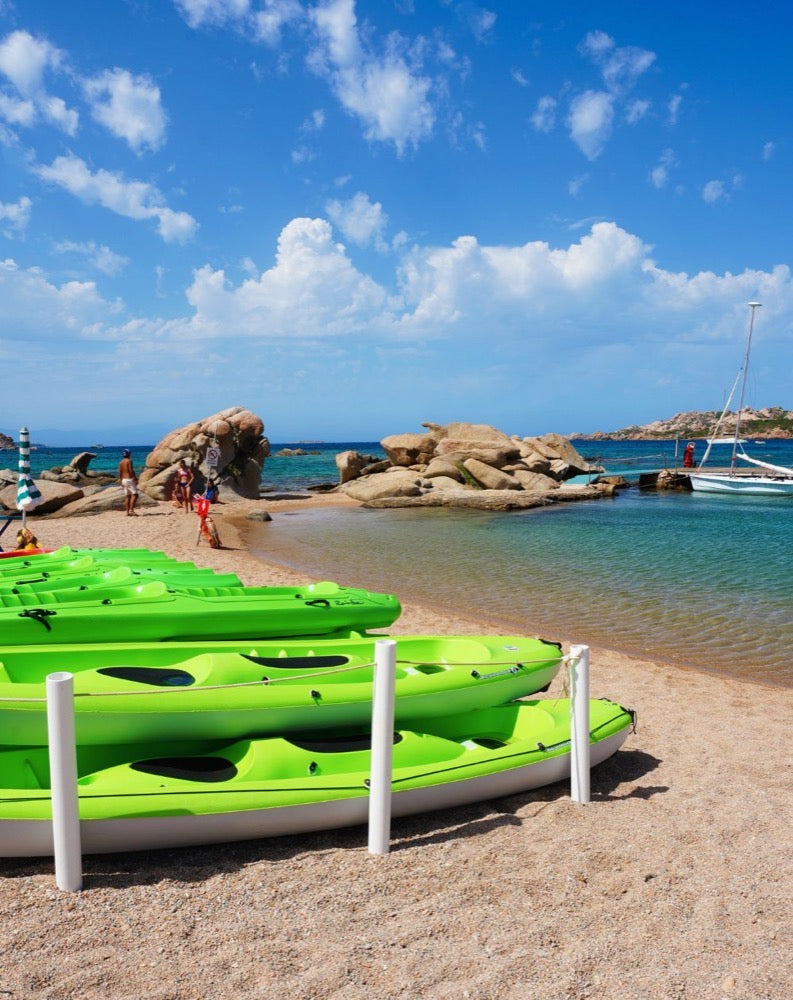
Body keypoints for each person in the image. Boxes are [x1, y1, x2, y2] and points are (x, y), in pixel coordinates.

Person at [118, 448, 139, 516]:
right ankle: (131, 510)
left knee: (127, 496)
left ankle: (127, 512)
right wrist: (135, 478)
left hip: (124, 480)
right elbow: (131, 470)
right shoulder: (129, 461)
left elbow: (120, 472)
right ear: (129, 454)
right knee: (135, 495)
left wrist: (121, 481)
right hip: (129, 479)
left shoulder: (121, 462)